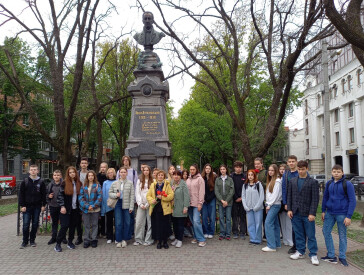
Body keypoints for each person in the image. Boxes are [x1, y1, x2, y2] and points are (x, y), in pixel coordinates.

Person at [321, 164, 357, 266]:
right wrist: (323, 210)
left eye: (338, 172)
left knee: (342, 235)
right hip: (330, 213)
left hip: (342, 214)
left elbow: (352, 200)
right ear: (332, 172)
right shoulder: (329, 183)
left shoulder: (347, 184)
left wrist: (349, 216)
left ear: (342, 173)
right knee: (325, 231)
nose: (336, 173)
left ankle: (342, 256)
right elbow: (325, 198)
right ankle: (331, 255)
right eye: (334, 171)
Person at [287, 160, 319, 266]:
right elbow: (289, 197)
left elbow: (315, 199)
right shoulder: (292, 181)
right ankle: (300, 252)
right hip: (295, 212)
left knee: (310, 235)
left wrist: (312, 213)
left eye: (303, 169)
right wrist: (290, 209)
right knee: (298, 234)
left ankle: (313, 254)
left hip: (307, 213)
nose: (301, 171)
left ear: (307, 169)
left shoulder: (313, 182)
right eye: (299, 169)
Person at [55, 166, 82, 252]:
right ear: (68, 174)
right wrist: (62, 206)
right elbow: (60, 196)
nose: (72, 174)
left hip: (75, 209)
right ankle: (58, 244)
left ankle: (70, 242)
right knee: (64, 226)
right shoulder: (64, 183)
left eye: (73, 172)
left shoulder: (79, 183)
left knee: (72, 226)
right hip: (66, 209)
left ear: (76, 173)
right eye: (70, 172)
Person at [19, 164, 46, 248]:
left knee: (35, 224)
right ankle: (24, 241)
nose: (33, 171)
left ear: (37, 171)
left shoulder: (41, 182)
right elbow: (21, 194)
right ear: (29, 171)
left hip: (37, 206)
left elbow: (43, 194)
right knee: (26, 224)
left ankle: (32, 241)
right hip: (26, 206)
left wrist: (43, 205)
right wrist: (22, 205)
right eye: (31, 169)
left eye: (35, 169)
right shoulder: (25, 181)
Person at [147, 170, 174, 249]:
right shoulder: (153, 185)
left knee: (165, 225)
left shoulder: (167, 184)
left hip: (164, 209)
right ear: (156, 176)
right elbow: (148, 195)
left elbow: (171, 195)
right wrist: (152, 200)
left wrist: (162, 197)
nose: (160, 176)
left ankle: (165, 241)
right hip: (156, 208)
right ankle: (159, 241)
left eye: (162, 175)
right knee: (157, 226)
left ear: (164, 176)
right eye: (159, 175)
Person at [109, 167, 135, 248]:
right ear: (119, 173)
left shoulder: (130, 183)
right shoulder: (115, 183)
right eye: (121, 172)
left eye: (124, 172)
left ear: (127, 173)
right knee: (118, 223)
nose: (123, 173)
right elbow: (110, 193)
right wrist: (115, 195)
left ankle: (125, 239)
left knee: (127, 222)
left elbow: (132, 195)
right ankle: (119, 240)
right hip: (118, 204)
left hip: (127, 204)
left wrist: (131, 207)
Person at [79, 170, 102, 248]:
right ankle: (87, 240)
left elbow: (100, 197)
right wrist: (87, 206)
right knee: (86, 225)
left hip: (95, 209)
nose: (90, 177)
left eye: (92, 175)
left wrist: (93, 206)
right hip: (86, 209)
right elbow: (81, 197)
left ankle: (94, 239)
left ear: (94, 176)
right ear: (87, 177)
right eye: (89, 176)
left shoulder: (97, 185)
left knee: (95, 224)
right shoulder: (83, 186)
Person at [262, 164, 282, 252]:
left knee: (268, 223)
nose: (270, 172)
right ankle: (277, 243)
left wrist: (269, 205)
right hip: (271, 204)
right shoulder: (271, 181)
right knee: (275, 224)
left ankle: (271, 246)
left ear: (276, 171)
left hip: (274, 205)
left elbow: (275, 195)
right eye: (269, 170)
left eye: (272, 170)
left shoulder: (277, 181)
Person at [117, 156, 138, 239]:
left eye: (127, 160)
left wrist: (135, 198)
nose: (125, 161)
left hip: (130, 198)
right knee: (121, 219)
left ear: (129, 161)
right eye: (124, 160)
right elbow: (117, 184)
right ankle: (122, 235)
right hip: (121, 198)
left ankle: (130, 233)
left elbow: (135, 185)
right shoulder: (119, 171)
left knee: (130, 217)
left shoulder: (133, 172)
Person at [242, 170, 264, 245]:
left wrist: (257, 206)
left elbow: (261, 196)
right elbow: (243, 196)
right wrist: (245, 206)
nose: (250, 176)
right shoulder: (245, 185)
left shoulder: (258, 184)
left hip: (258, 208)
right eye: (249, 175)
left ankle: (258, 239)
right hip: (248, 208)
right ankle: (252, 238)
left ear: (254, 176)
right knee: (250, 224)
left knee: (258, 224)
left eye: (252, 175)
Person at [282, 155, 299, 254]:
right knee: (293, 225)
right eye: (290, 162)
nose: (291, 163)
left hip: (300, 202)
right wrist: (285, 202)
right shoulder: (286, 174)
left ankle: (301, 245)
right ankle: (294, 246)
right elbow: (284, 189)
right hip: (290, 203)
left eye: (293, 161)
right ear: (287, 163)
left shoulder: (300, 173)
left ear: (296, 162)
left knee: (300, 225)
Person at [186, 164, 206, 247]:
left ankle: (202, 239)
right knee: (193, 222)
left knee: (196, 221)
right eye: (190, 169)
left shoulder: (200, 179)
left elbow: (202, 192)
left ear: (196, 170)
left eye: (193, 169)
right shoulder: (188, 179)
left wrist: (200, 203)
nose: (192, 171)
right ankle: (196, 236)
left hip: (196, 203)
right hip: (189, 203)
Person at [134, 165, 153, 246]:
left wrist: (148, 203)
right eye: (144, 170)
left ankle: (148, 239)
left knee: (149, 222)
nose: (146, 171)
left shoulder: (153, 181)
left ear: (149, 171)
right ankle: (138, 239)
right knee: (139, 222)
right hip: (141, 204)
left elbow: (153, 194)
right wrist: (140, 203)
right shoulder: (139, 180)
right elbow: (137, 193)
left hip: (149, 204)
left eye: (147, 170)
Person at [215, 164, 235, 241]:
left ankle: (228, 234)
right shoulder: (217, 179)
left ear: (226, 170)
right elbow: (216, 191)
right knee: (221, 218)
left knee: (228, 219)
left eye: (224, 169)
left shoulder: (230, 179)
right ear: (219, 171)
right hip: (220, 202)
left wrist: (226, 200)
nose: (222, 170)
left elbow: (232, 190)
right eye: (221, 169)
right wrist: (222, 200)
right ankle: (222, 233)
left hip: (228, 202)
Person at [171, 170, 190, 248]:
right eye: (174, 175)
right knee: (175, 225)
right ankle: (176, 238)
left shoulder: (183, 184)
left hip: (181, 207)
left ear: (180, 176)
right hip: (173, 208)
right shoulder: (171, 184)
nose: (176, 176)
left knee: (180, 225)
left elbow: (186, 196)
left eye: (178, 175)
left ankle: (180, 240)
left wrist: (185, 207)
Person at [46, 170, 63, 245]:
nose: (56, 176)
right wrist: (48, 196)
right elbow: (46, 194)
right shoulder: (50, 185)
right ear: (53, 176)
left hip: (61, 206)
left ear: (61, 176)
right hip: (53, 205)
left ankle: (63, 237)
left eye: (58, 175)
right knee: (54, 223)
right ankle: (54, 237)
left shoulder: (63, 184)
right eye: (55, 175)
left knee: (63, 223)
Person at [231, 161, 247, 239]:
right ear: (234, 168)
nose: (238, 169)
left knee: (242, 216)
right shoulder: (231, 176)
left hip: (243, 199)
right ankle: (235, 231)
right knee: (234, 216)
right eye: (237, 167)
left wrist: (241, 198)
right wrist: (236, 197)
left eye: (240, 167)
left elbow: (246, 188)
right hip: (234, 199)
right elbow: (231, 188)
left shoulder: (245, 176)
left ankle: (243, 232)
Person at [101, 168, 117, 244]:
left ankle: (117, 236)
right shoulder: (105, 183)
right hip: (108, 205)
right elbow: (103, 195)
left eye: (112, 172)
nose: (110, 174)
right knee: (109, 222)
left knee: (117, 222)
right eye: (109, 173)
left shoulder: (117, 182)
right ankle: (109, 236)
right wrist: (104, 206)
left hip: (116, 205)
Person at [76, 157, 89, 245]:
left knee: (88, 219)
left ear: (87, 164)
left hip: (89, 198)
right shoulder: (77, 174)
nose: (83, 164)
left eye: (85, 163)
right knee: (78, 220)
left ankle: (88, 237)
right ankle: (79, 237)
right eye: (82, 163)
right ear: (80, 164)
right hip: (78, 197)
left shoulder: (91, 173)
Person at [201, 164, 216, 239]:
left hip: (212, 199)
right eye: (206, 168)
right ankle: (205, 231)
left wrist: (210, 198)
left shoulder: (214, 178)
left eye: (209, 168)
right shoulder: (201, 178)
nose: (207, 170)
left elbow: (215, 189)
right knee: (204, 217)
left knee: (212, 217)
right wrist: (204, 198)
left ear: (211, 169)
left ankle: (211, 232)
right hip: (203, 200)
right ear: (204, 169)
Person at [97, 162, 108, 238]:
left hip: (106, 198)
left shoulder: (108, 177)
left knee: (104, 216)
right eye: (101, 167)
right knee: (98, 216)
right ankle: (97, 231)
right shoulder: (97, 176)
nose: (103, 169)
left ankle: (104, 232)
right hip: (98, 198)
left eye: (104, 167)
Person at [182, 169, 193, 238]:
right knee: (184, 218)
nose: (185, 175)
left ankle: (190, 232)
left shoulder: (189, 181)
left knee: (189, 218)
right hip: (182, 202)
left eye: (186, 174)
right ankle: (185, 232)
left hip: (189, 201)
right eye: (184, 174)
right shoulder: (180, 181)